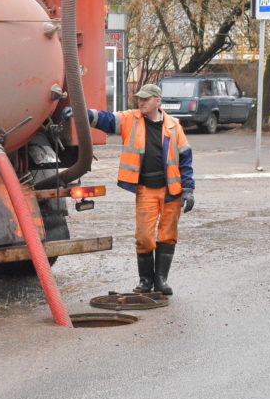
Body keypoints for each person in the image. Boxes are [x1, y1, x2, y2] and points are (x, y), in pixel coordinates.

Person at [67, 83, 195, 295]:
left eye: (145, 99)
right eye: (140, 99)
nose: (141, 102)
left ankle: (161, 281)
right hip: (146, 189)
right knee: (144, 236)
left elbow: (185, 159)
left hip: (171, 191)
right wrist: (82, 113)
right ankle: (145, 280)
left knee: (167, 235)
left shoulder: (174, 126)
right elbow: (106, 119)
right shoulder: (131, 119)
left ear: (157, 101)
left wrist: (188, 189)